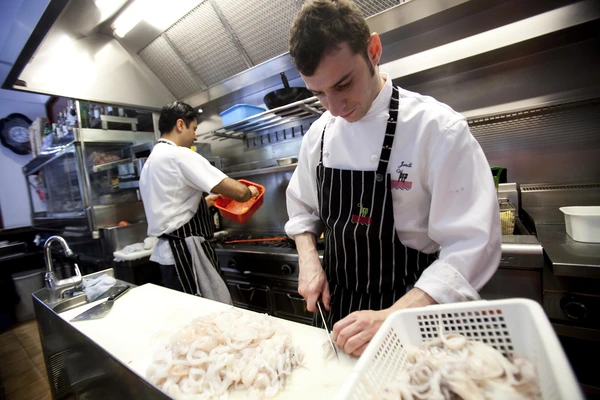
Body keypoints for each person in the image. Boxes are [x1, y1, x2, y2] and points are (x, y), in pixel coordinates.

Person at [285, 0, 501, 356]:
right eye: (319, 94)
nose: (335, 108)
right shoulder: (320, 134)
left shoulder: (437, 129)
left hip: (414, 315)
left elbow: (472, 243)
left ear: (373, 50)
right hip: (338, 313)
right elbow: (302, 209)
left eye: (344, 84)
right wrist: (308, 258)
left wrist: (394, 316)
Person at [139, 101, 259, 303]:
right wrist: (250, 192)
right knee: (206, 313)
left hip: (169, 257)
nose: (195, 136)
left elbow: (173, 205)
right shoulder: (179, 155)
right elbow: (239, 193)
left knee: (189, 313)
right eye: (194, 129)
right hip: (186, 256)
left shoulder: (152, 161)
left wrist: (208, 201)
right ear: (180, 125)